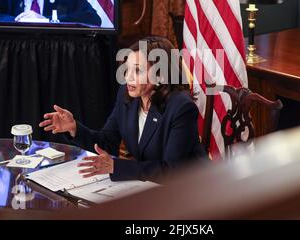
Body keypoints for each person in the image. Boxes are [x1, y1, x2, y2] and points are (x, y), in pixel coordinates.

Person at [39, 36, 207, 182]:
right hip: (149, 185)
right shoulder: (127, 96)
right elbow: (107, 141)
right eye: (127, 69)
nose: (128, 77)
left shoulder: (181, 108)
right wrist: (74, 128)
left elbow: (170, 171)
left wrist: (117, 167)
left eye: (137, 71)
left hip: (189, 190)